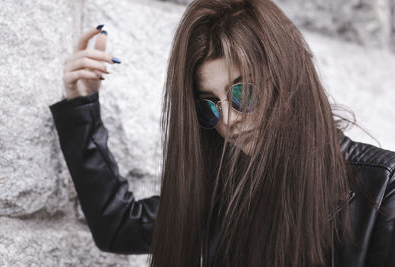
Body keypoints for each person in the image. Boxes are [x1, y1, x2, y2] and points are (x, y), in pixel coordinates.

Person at [49, 0, 395, 266]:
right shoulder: (223, 193)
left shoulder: (383, 191)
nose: (227, 119)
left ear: (289, 79)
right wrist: (82, 106)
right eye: (209, 105)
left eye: (243, 93)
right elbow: (119, 225)